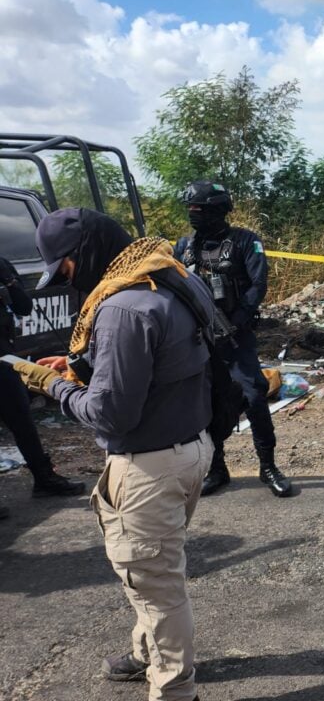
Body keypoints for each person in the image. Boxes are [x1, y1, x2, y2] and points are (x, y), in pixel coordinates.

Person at [16, 207, 214, 701]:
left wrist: (53, 384)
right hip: (189, 447)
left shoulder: (123, 307)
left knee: (155, 585)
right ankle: (147, 652)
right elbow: (159, 365)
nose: (65, 279)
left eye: (63, 267)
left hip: (148, 466)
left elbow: (109, 416)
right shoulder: (169, 276)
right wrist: (85, 366)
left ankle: (174, 690)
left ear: (83, 255)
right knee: (155, 569)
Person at [173, 180, 292, 498]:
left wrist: (237, 320)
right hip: (199, 340)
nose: (194, 215)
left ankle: (268, 467)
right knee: (206, 404)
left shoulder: (245, 241)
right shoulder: (184, 246)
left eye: (199, 209)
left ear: (218, 211)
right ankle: (217, 469)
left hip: (236, 337)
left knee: (254, 397)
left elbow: (258, 284)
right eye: (191, 209)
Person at [0, 257, 85, 517]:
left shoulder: (3, 264)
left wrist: (9, 280)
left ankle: (44, 478)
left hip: (3, 358)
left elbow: (24, 307)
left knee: (22, 419)